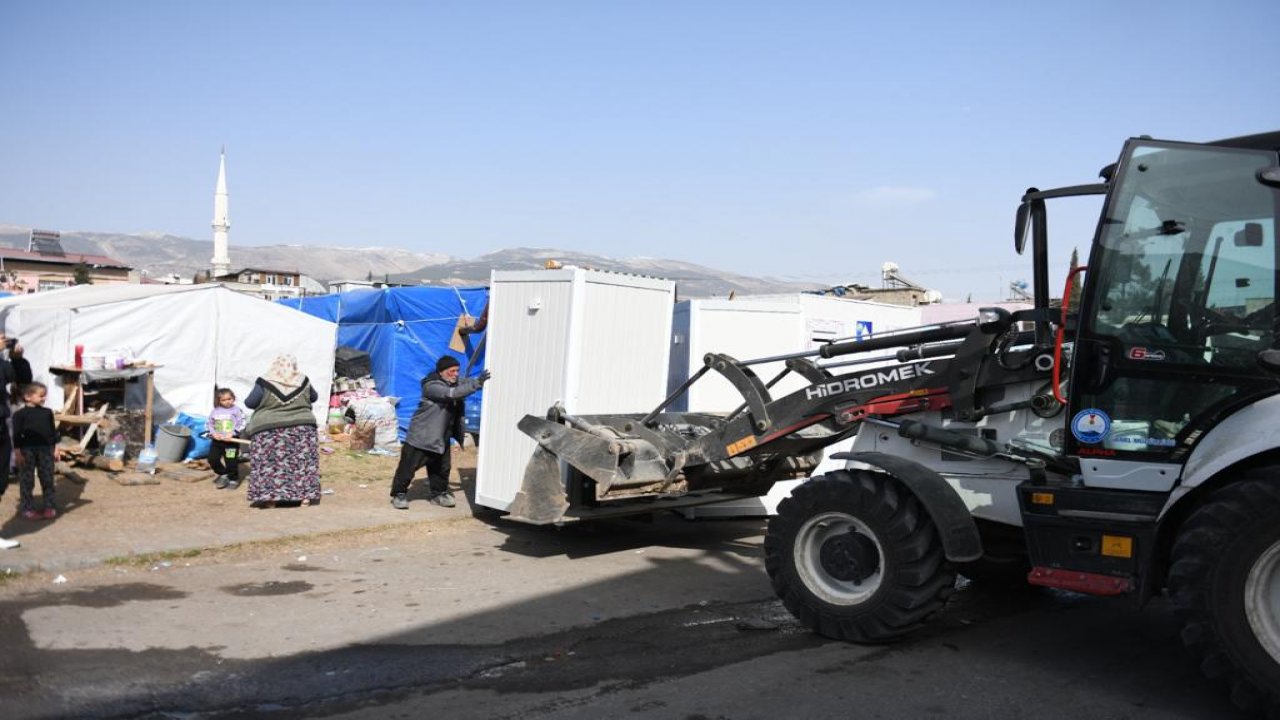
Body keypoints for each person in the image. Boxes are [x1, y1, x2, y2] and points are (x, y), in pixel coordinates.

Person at [390, 355, 489, 509]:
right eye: (452, 371)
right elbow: (452, 394)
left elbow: (465, 383)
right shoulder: (431, 386)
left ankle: (438, 493)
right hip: (422, 436)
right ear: (442, 372)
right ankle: (399, 494)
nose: (456, 374)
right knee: (408, 468)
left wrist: (484, 379)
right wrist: (477, 384)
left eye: (457, 371)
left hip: (442, 436)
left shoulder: (453, 381)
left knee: (441, 468)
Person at [243, 355, 320, 508]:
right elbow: (314, 397)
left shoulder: (265, 381)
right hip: (302, 427)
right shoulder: (303, 380)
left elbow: (250, 402)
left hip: (269, 429)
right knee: (302, 462)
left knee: (270, 464)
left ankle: (271, 499)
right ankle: (304, 498)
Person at [13, 382, 60, 521]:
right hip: (26, 451)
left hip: (45, 450)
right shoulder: (19, 415)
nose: (44, 398)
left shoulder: (47, 412)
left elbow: (53, 431)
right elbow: (16, 435)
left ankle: (49, 506)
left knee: (47, 478)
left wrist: (56, 447)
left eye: (45, 395)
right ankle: (28, 508)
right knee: (27, 480)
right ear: (28, 396)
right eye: (41, 395)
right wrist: (17, 452)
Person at [206, 387, 247, 490]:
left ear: (233, 398)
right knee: (212, 459)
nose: (227, 402)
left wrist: (233, 433)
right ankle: (223, 474)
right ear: (218, 401)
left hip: (231, 443)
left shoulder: (237, 410)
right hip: (217, 442)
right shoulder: (215, 411)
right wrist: (213, 433)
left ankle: (233, 479)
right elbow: (209, 424)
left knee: (231, 461)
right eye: (223, 400)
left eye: (229, 399)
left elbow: (242, 423)